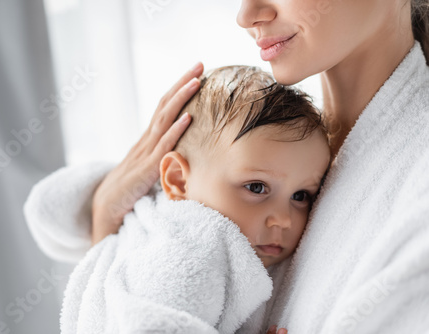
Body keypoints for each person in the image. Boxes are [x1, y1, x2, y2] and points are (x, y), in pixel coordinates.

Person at [24, 0, 429, 332]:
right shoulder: (276, 146)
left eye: (302, 197)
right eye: (255, 188)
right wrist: (106, 222)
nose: (246, 14)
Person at [25, 65, 330, 333]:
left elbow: (51, 209)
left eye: (301, 195)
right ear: (177, 179)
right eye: (256, 187)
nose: (284, 219)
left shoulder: (159, 214)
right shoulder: (192, 251)